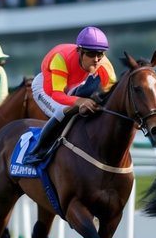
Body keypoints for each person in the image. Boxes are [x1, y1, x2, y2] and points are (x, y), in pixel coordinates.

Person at [23, 26, 117, 166]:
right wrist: (79, 101)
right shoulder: (60, 58)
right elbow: (57, 95)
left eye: (100, 54)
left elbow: (112, 95)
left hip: (71, 86)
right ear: (79, 51)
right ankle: (37, 152)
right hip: (47, 89)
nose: (97, 60)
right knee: (63, 111)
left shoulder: (104, 65)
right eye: (91, 54)